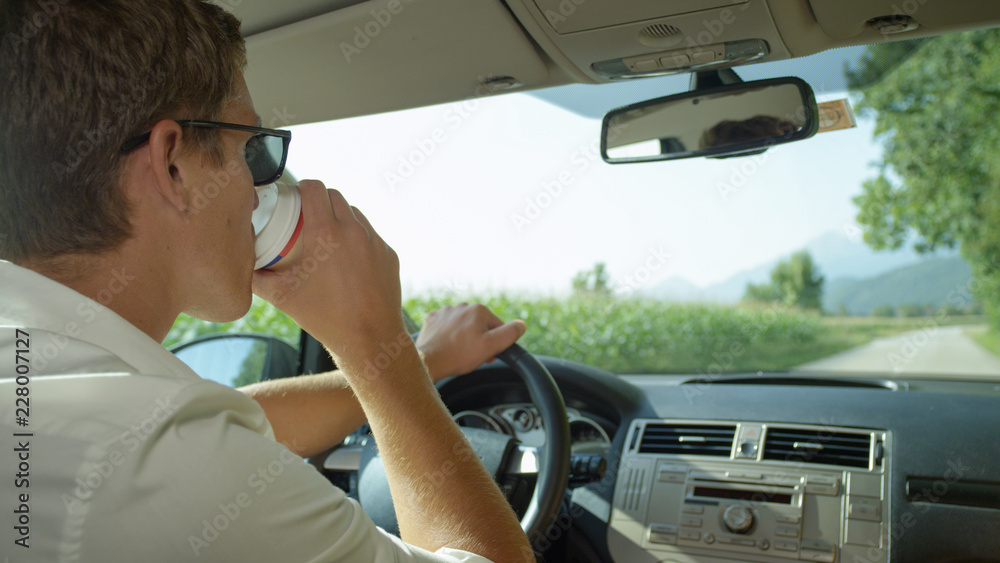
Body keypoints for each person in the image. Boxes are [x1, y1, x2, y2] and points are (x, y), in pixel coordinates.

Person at [0, 1, 533, 561]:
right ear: (173, 164)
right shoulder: (172, 465)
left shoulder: (50, 378)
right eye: (251, 148)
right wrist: (375, 341)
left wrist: (422, 360)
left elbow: (224, 420)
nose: (259, 192)